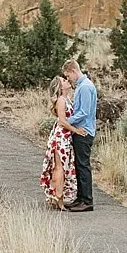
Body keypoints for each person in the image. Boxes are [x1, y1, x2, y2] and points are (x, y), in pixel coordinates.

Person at [61, 58, 96, 212]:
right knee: (79, 165)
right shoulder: (82, 86)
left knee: (83, 165)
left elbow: (84, 112)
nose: (68, 79)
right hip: (80, 130)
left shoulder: (85, 87)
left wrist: (65, 121)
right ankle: (80, 198)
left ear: (74, 71)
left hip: (84, 131)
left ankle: (87, 200)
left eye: (68, 75)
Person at [40, 76, 78, 209]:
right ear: (60, 87)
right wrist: (76, 130)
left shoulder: (67, 99)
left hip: (66, 137)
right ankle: (59, 198)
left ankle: (57, 196)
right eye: (63, 80)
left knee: (63, 166)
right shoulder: (61, 100)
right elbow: (62, 121)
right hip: (61, 137)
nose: (67, 81)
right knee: (59, 167)